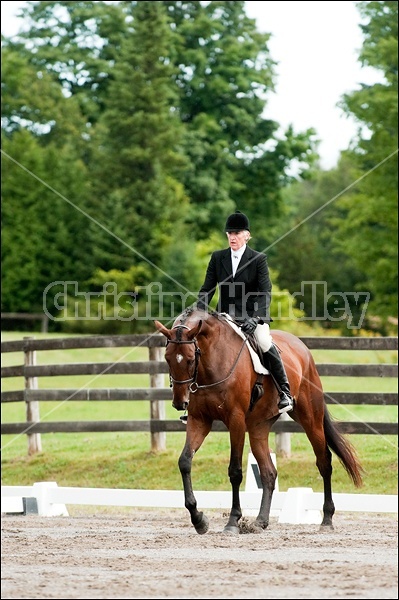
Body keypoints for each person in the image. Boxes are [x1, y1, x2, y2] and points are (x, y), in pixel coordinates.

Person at [196, 209, 294, 414]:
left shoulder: (258, 259)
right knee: (197, 346)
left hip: (252, 317)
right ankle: (193, 399)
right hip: (224, 317)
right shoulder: (218, 257)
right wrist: (199, 314)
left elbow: (265, 291)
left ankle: (284, 391)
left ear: (247, 235)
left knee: (265, 342)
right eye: (230, 233)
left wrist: (257, 318)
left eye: (237, 233)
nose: (233, 237)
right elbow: (207, 288)